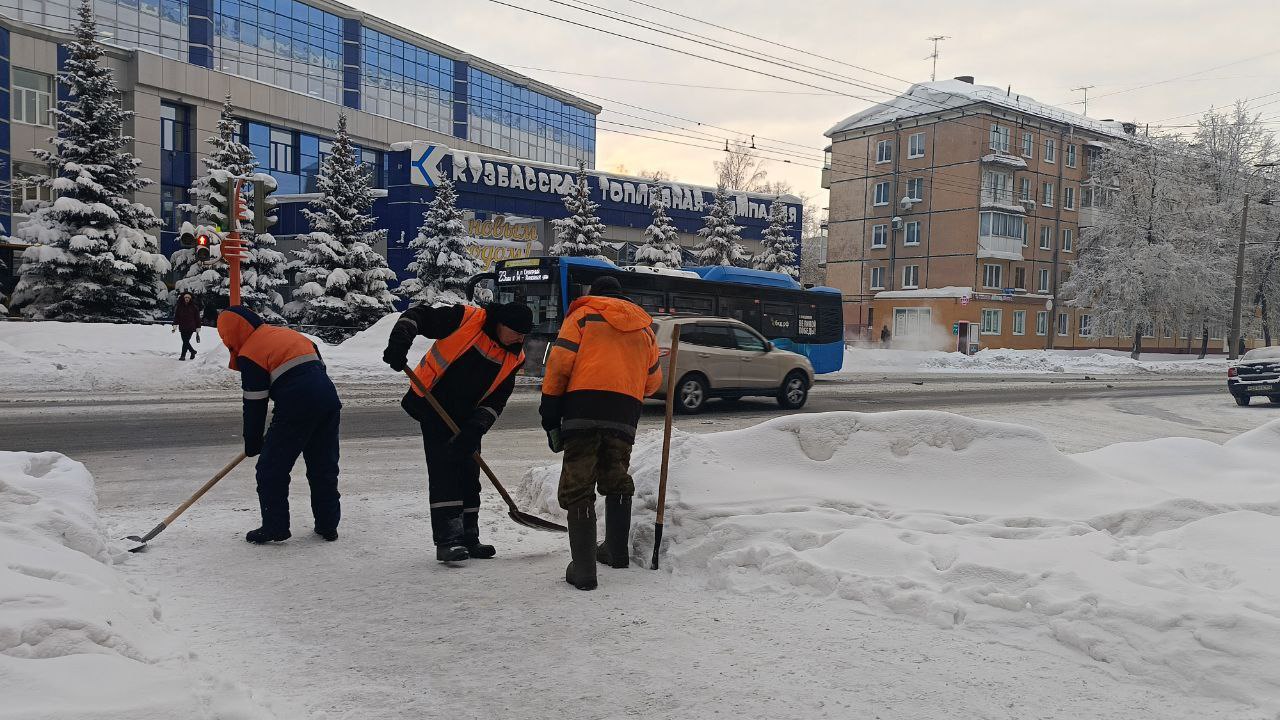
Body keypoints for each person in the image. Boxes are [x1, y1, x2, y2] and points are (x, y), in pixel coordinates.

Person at [382, 301, 533, 563]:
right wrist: (401, 339)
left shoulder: (514, 356)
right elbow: (418, 315)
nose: (520, 338)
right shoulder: (466, 318)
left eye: (524, 334)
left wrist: (476, 429)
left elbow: (497, 399)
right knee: (445, 473)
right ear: (500, 324)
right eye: (516, 332)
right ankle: (447, 541)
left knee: (469, 475)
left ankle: (469, 538)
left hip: (467, 419)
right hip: (432, 405)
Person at [540, 276, 661, 591]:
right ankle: (616, 552)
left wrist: (550, 409)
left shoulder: (583, 316)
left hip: (583, 407)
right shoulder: (645, 330)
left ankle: (583, 571)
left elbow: (559, 366)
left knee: (578, 483)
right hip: (625, 413)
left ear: (594, 294)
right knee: (616, 475)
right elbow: (652, 384)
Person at [217, 306, 342, 544]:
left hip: (296, 407)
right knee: (323, 467)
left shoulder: (251, 352)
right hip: (328, 402)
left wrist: (252, 440)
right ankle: (328, 525)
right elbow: (318, 370)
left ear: (231, 334)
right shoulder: (289, 335)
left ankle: (275, 526)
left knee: (271, 469)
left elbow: (255, 402)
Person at [173, 292, 201, 360]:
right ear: (183, 298)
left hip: (191, 327)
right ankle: (192, 351)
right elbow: (177, 317)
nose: (187, 299)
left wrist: (198, 327)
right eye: (186, 297)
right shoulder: (180, 307)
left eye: (188, 298)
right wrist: (175, 325)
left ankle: (183, 356)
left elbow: (197, 318)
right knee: (185, 341)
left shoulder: (194, 307)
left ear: (190, 299)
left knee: (185, 341)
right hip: (182, 326)